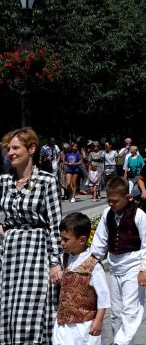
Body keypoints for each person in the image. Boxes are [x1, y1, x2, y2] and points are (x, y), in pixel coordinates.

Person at [0, 128, 63, 344]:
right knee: (8, 306)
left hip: (36, 250)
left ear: (32, 149)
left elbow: (55, 224)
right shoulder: (4, 181)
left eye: (16, 148)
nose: (11, 153)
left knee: (31, 309)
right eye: (8, 149)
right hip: (9, 253)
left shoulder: (47, 181)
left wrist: (55, 262)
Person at [89, 177, 146, 344]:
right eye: (109, 200)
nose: (111, 204)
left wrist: (143, 268)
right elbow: (100, 240)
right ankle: (123, 340)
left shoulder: (139, 215)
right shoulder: (107, 214)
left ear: (128, 197)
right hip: (114, 265)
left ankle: (120, 342)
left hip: (132, 265)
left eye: (115, 201)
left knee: (130, 309)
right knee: (117, 311)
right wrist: (91, 260)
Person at [53, 213, 110, 345]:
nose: (62, 243)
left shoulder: (93, 265)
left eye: (66, 240)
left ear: (82, 240)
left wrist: (99, 320)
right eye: (61, 239)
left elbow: (103, 297)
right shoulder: (64, 258)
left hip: (84, 327)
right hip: (63, 325)